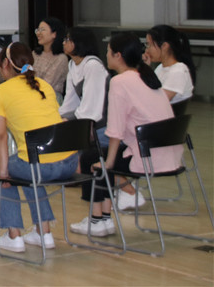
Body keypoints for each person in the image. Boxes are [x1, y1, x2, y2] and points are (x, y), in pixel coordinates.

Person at [71, 32, 182, 237]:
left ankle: (98, 220)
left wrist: (109, 162)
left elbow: (116, 128)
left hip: (148, 158)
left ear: (118, 55)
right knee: (99, 157)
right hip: (168, 154)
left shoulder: (120, 81)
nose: (106, 55)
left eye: (108, 51)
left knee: (91, 158)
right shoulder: (147, 77)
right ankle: (103, 219)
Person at [0, 42, 78, 253]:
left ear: (5, 64)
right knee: (28, 164)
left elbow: (0, 136)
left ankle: (14, 236)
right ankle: (43, 233)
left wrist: (3, 173)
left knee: (6, 172)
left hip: (39, 165)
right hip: (69, 163)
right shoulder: (44, 86)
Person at [58, 27, 110, 145]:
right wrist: (59, 116)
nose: (63, 43)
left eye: (67, 39)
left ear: (79, 42)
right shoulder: (72, 64)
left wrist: (68, 120)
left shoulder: (93, 65)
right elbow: (70, 102)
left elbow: (91, 107)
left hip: (102, 125)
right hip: (84, 121)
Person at [144, 24, 195, 104]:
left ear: (164, 46)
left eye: (149, 45)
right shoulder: (160, 67)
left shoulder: (178, 71)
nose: (147, 50)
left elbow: (160, 101)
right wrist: (146, 68)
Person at [32, 17, 69, 100]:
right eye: (38, 30)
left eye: (42, 30)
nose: (38, 33)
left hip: (51, 97)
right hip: (32, 95)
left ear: (54, 34)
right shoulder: (35, 54)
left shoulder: (61, 58)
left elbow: (47, 84)